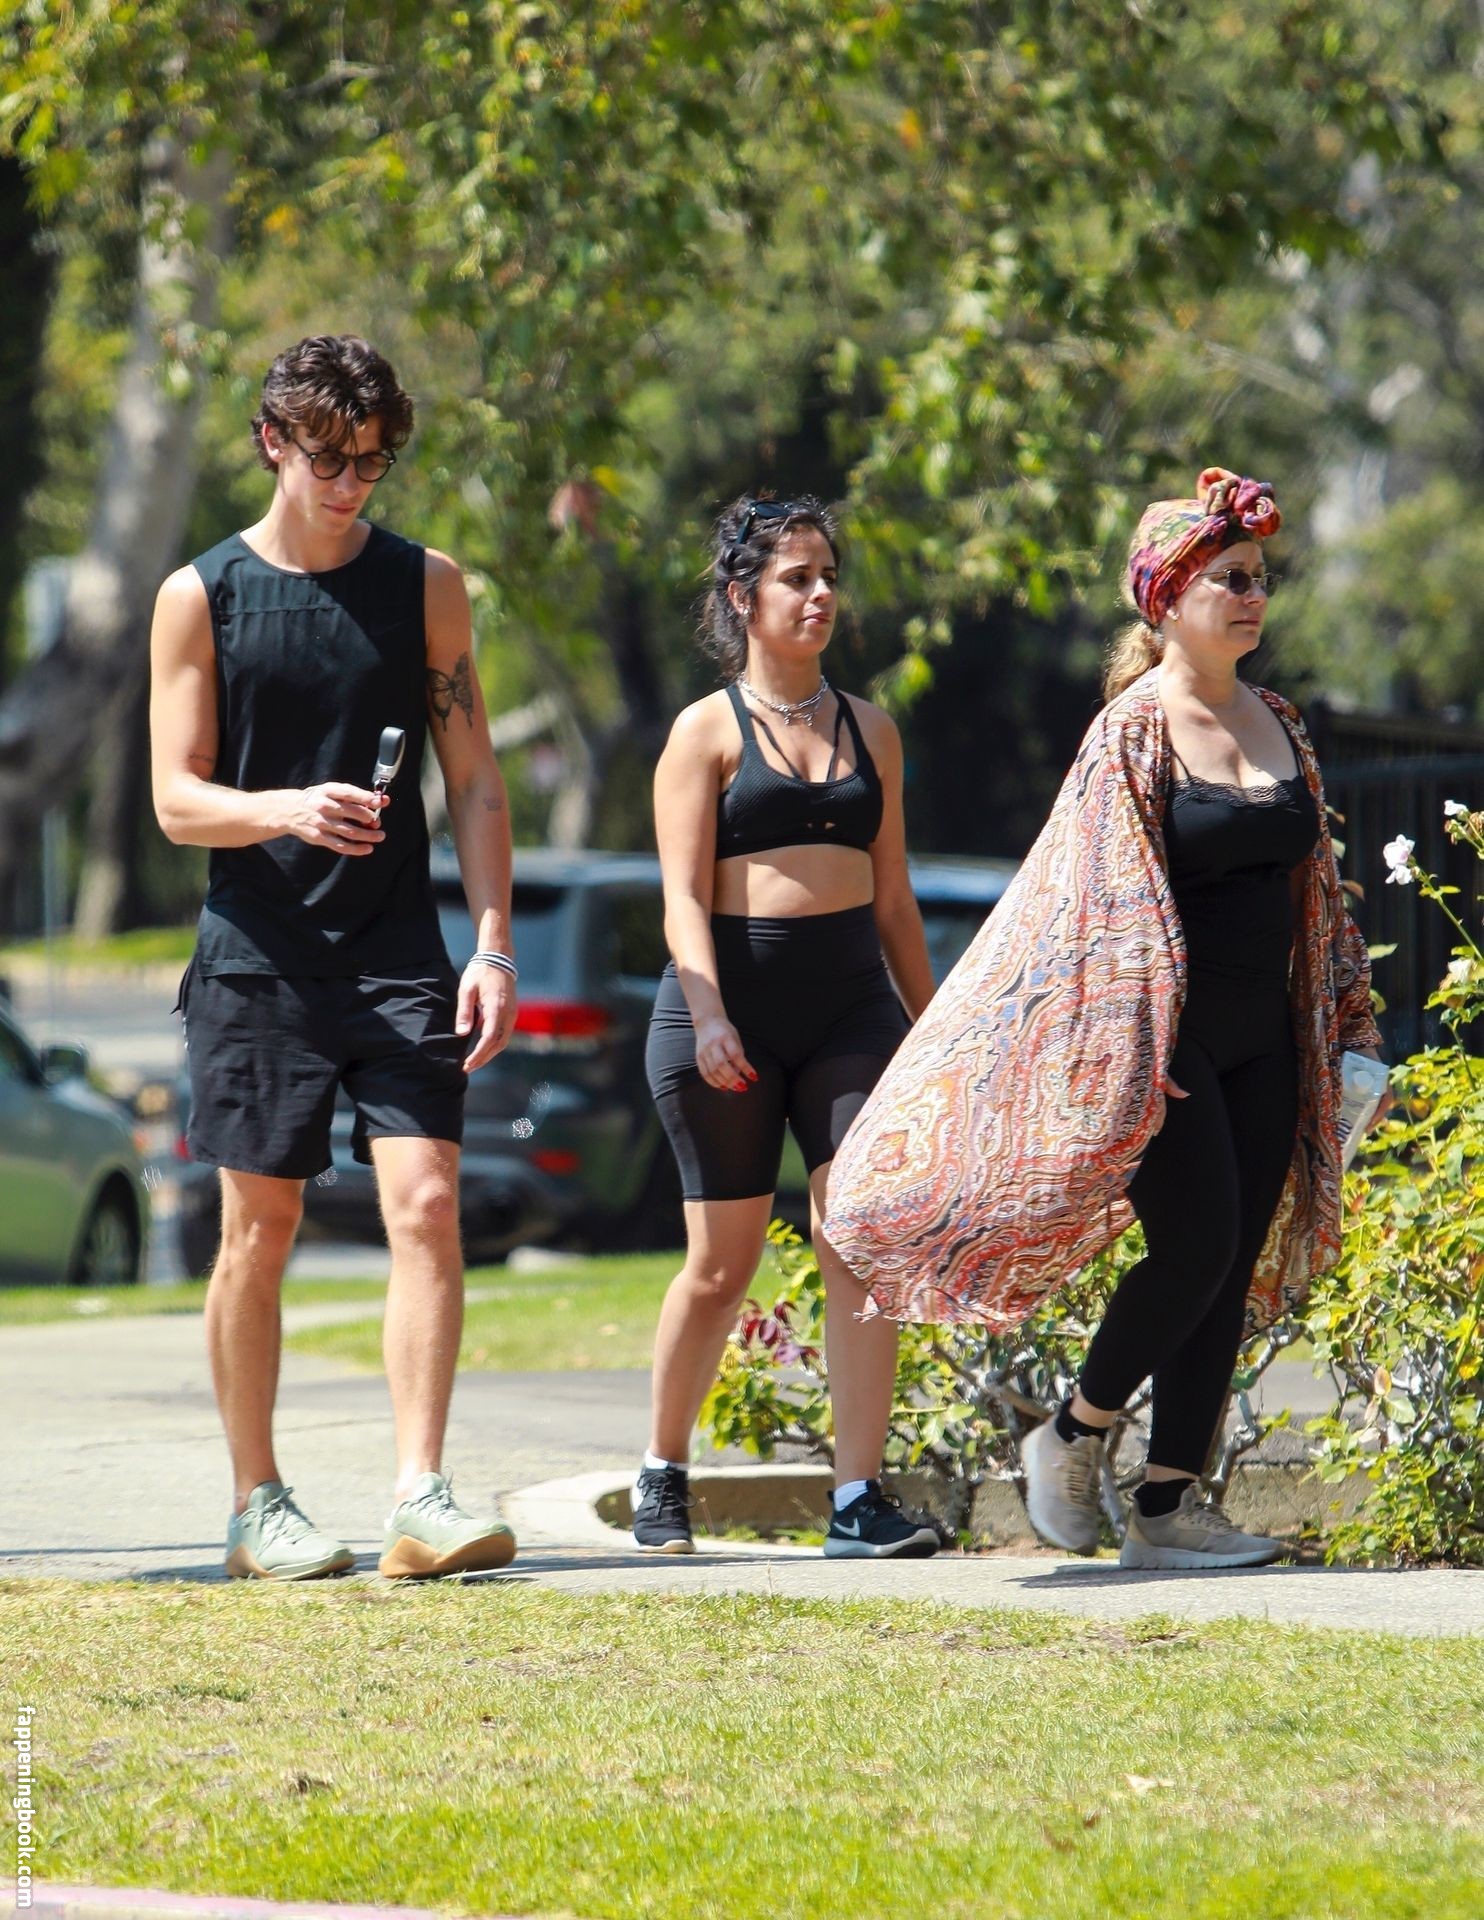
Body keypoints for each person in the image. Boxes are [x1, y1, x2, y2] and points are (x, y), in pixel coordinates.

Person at [824, 468, 1386, 1569]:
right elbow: (1091, 908)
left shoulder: (1280, 722)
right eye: (1229, 579)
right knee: (1196, 1246)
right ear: (1166, 597)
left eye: (1258, 578)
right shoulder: (1129, 732)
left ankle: (1167, 1512)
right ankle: (1073, 1434)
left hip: (1267, 1035)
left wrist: (1344, 1024)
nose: (1251, 597)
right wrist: (1130, 1044)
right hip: (1161, 1045)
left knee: (1229, 1269)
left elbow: (1315, 889)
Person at [150, 334, 520, 1581]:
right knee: (261, 1225)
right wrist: (288, 809)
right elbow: (175, 799)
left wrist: (492, 945)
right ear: (273, 442)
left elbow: (474, 780)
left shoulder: (426, 587)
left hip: (397, 954)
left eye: (373, 462)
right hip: (256, 958)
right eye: (329, 459)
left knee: (427, 1204)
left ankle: (422, 1495)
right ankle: (257, 1504)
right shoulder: (200, 595)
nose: (352, 483)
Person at [634, 494, 942, 1558]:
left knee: (854, 1234)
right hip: (727, 1013)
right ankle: (662, 1468)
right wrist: (709, 1014)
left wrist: (934, 1030)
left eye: (827, 578)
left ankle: (856, 1498)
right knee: (720, 1265)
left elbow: (894, 901)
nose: (819, 596)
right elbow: (680, 897)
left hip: (850, 1008)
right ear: (742, 596)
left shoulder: (873, 730)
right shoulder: (704, 732)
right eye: (794, 578)